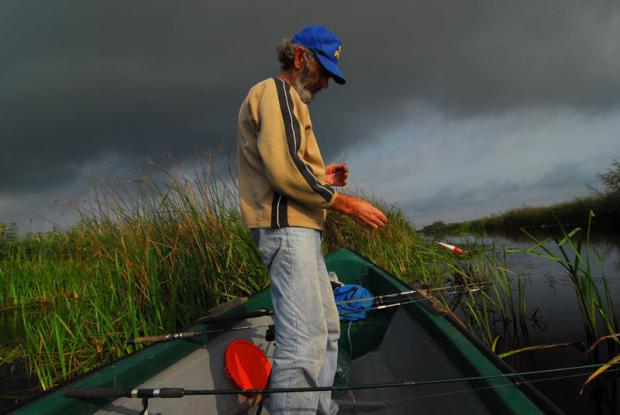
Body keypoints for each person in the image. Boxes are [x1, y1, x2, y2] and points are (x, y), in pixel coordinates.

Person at [237, 25, 388, 414]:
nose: (324, 84)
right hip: (287, 232)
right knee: (303, 340)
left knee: (327, 329)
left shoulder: (292, 104)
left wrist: (321, 178)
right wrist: (347, 203)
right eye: (322, 73)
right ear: (300, 58)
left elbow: (286, 167)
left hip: (301, 230)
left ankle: (322, 409)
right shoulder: (277, 94)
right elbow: (284, 172)